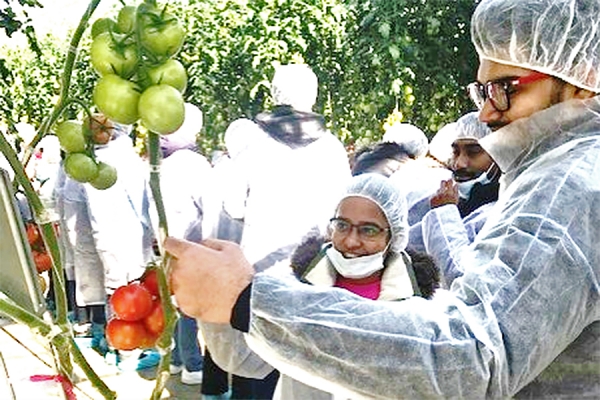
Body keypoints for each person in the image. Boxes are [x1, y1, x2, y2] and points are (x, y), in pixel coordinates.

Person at [166, 0, 600, 396]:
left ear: (584, 80)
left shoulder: (571, 187)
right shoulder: (558, 173)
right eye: (482, 91)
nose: (487, 113)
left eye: (505, 87)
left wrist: (249, 301)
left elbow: (469, 355)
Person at [62, 117, 158, 369]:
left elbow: (72, 209)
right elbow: (143, 204)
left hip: (97, 240)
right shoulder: (124, 157)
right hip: (126, 239)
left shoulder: (84, 162)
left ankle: (104, 338)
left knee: (109, 292)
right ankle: (126, 353)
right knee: (128, 298)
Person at [154, 103, 207, 385]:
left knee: (171, 300)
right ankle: (192, 363)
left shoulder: (160, 163)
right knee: (187, 305)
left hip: (166, 242)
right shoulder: (195, 165)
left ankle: (175, 358)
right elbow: (208, 205)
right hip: (190, 245)